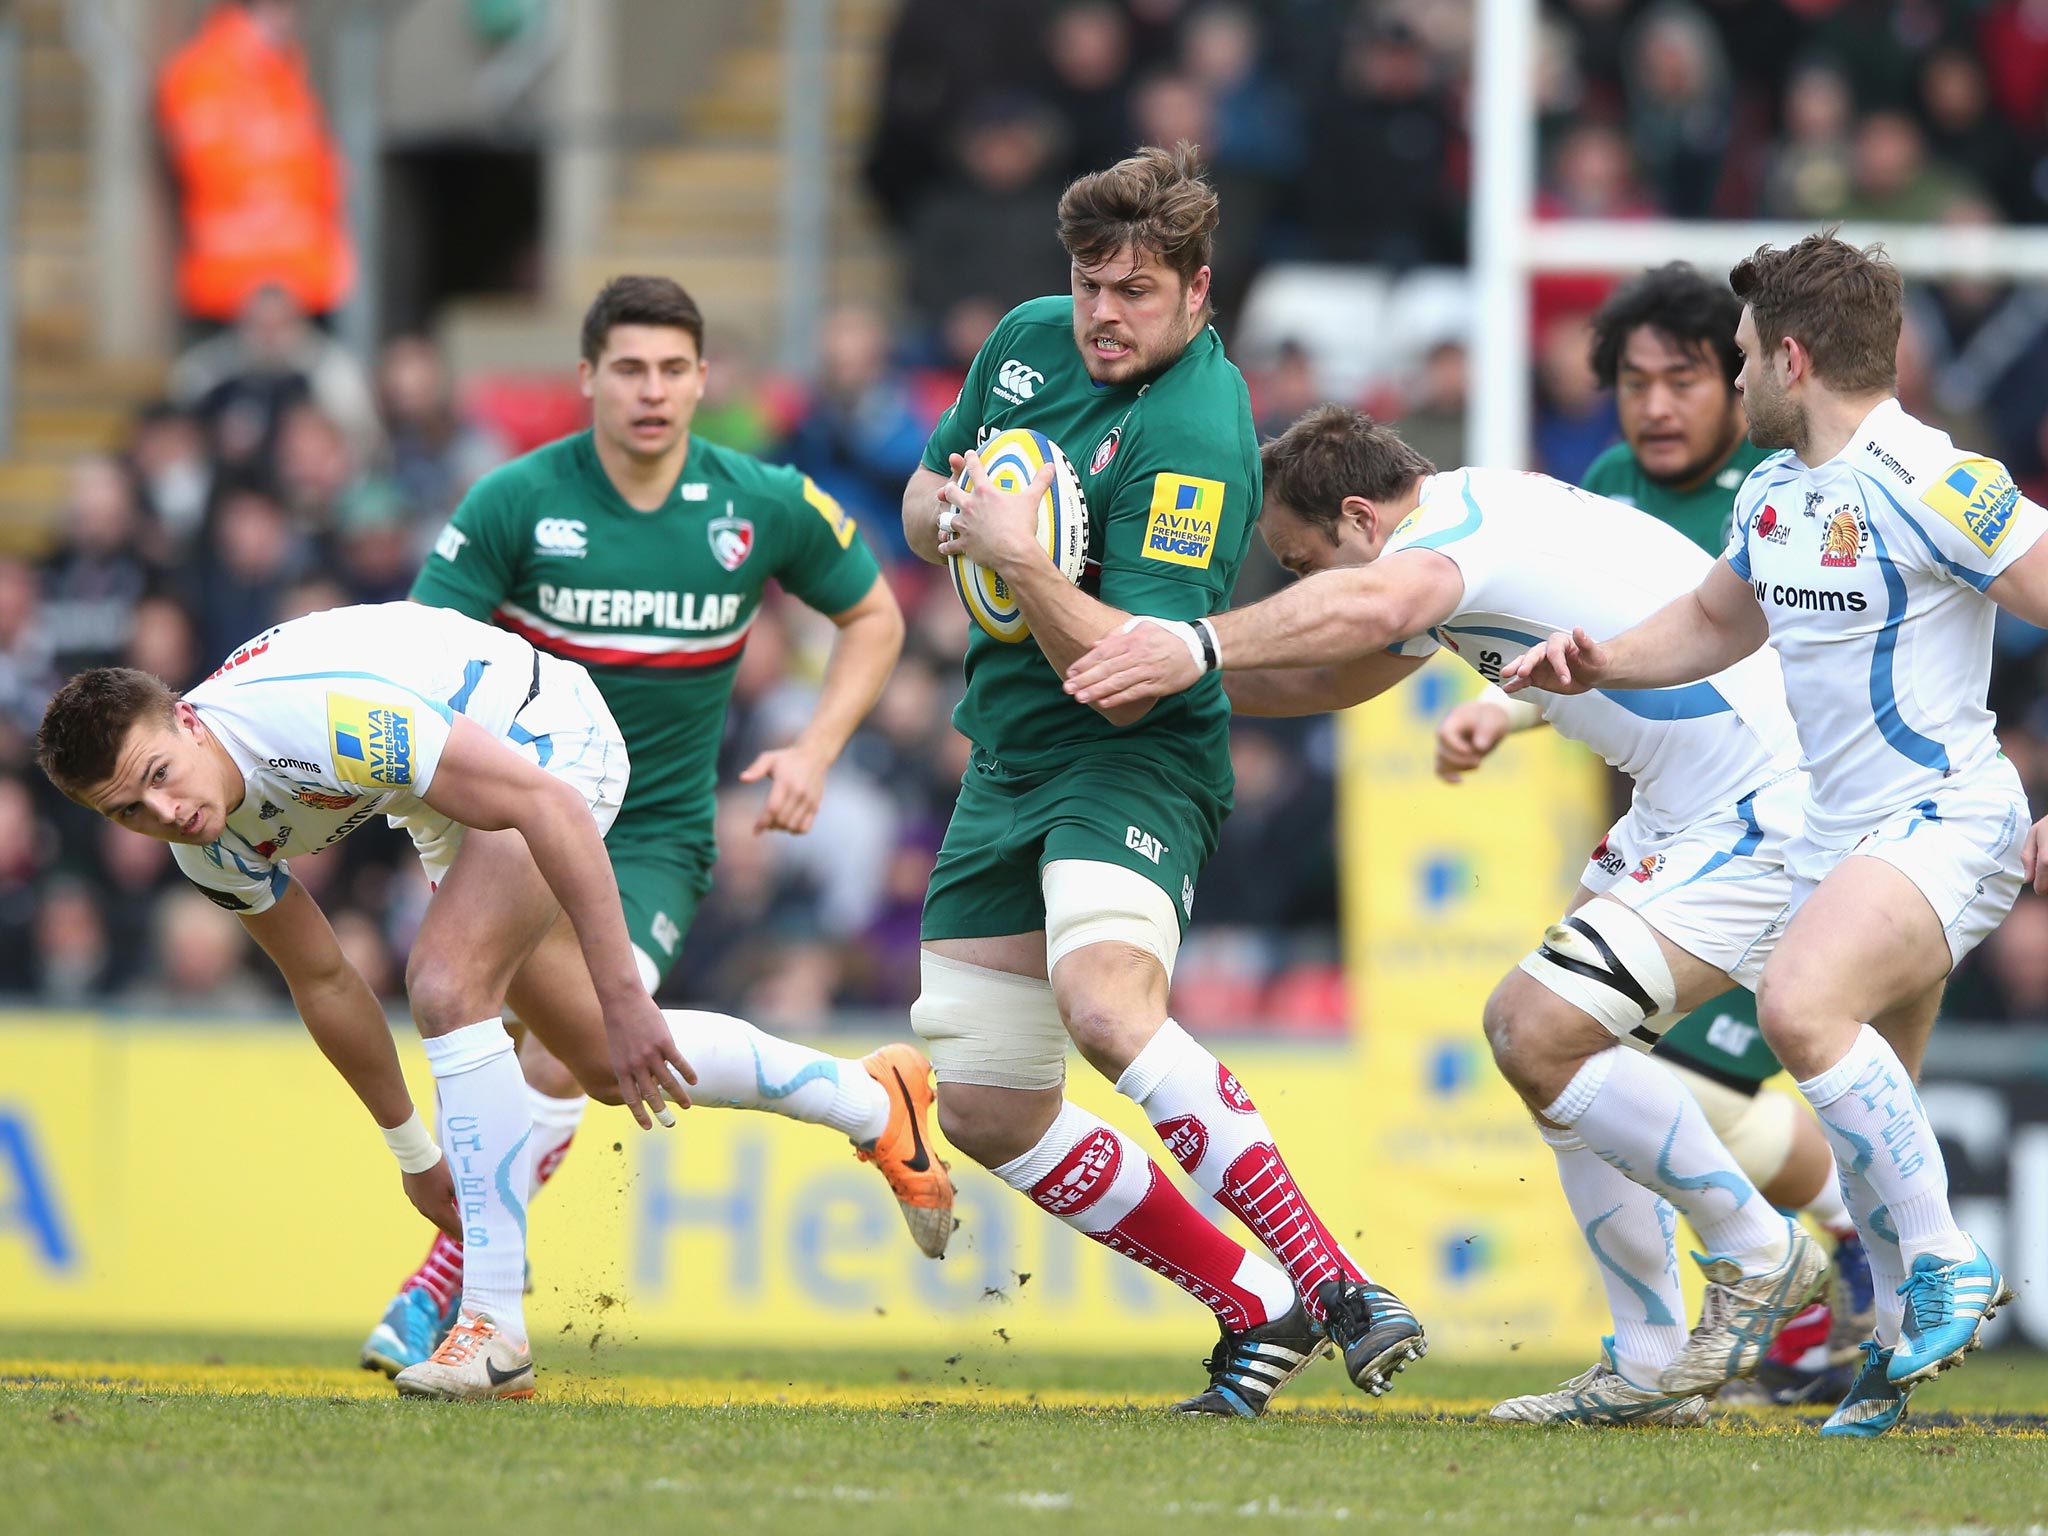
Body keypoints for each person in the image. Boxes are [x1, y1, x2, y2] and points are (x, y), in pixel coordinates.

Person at [1064, 405, 1834, 1423]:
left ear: (1355, 516)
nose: (1304, 588)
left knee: (1536, 1031)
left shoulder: (1442, 541)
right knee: (1551, 1052)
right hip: (1690, 805)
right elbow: (1333, 674)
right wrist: (1171, 682)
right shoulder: (1455, 530)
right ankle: (1650, 1363)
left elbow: (1371, 610)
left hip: (1759, 798)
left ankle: (1757, 1250)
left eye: (1302, 567)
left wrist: (1193, 642)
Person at [906, 144, 1425, 1420]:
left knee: (1101, 1000)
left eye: (1133, 291)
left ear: (1199, 293)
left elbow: (1129, 668)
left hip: (1130, 755)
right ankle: (1254, 1300)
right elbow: (926, 492)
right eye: (1088, 284)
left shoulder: (1196, 428)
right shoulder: (1025, 340)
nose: (1100, 314)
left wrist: (1021, 562)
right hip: (1006, 755)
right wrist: (963, 517)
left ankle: (1332, 1279)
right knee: (980, 1104)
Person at [1503, 232, 2048, 1435]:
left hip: (1944, 820)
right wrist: (1595, 663)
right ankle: (1898, 1348)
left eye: (1741, 357)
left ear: (1790, 360)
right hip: (1833, 841)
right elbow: (1710, 625)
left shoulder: (1937, 480)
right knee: (1865, 1105)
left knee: (1803, 1011)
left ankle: (1948, 1259)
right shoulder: (1771, 494)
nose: (1733, 377)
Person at [369, 274, 938, 1376]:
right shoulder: (512, 502)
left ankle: (456, 1295)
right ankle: (873, 1102)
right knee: (500, 1025)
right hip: (518, 831)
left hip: (653, 839)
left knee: (565, 1056)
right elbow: (417, 659)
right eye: (628, 367)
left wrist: (815, 747)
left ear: (703, 382)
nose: (652, 390)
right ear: (585, 378)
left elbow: (873, 614)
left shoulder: (759, 501)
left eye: (674, 369)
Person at [35, 604, 691, 1400]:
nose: (164, 814)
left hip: (539, 724)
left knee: (448, 986)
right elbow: (324, 980)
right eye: (127, 811)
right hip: (442, 796)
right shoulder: (205, 849)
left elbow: (542, 801)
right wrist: (415, 1155)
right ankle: (869, 1100)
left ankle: (489, 1328)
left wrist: (623, 987)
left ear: (186, 720)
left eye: (159, 776)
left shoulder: (305, 719)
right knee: (596, 1062)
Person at [1438, 262, 1873, 1407]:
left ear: (1739, 382)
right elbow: (1567, 653)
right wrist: (1495, 703)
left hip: (1788, 829)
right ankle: (1696, 1333)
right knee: (1575, 1051)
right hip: (1663, 836)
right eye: (1632, 382)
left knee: (1614, 1054)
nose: (1656, 405)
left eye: (1683, 377)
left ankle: (1832, 1241)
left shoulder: (1787, 488)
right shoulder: (1600, 490)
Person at [155, 0, 353, 327]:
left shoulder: (287, 74)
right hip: (231, 285)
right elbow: (214, 170)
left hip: (302, 278)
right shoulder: (203, 73)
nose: (291, 20)